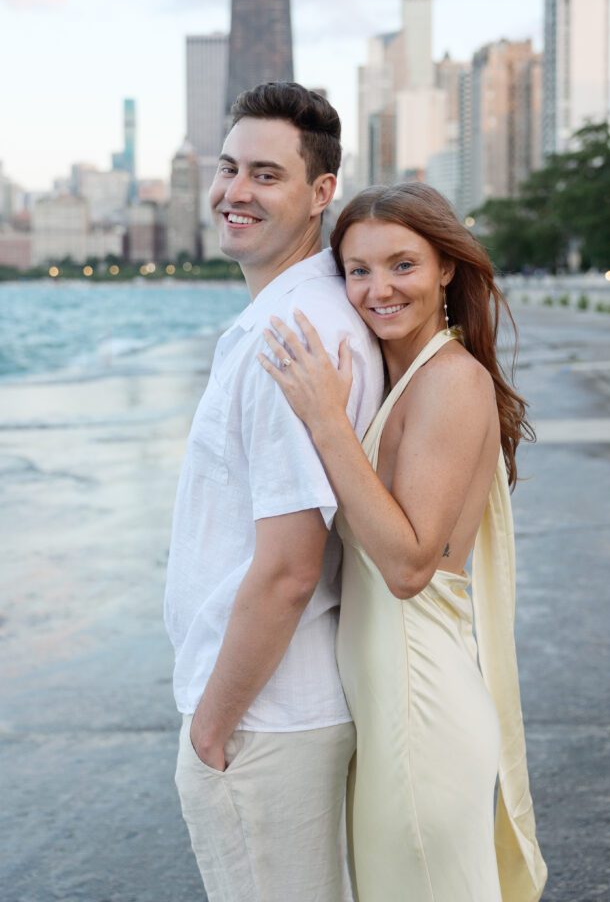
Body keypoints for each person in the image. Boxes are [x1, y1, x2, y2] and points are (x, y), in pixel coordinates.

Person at [259, 182, 548, 902]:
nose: (377, 289)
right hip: (395, 715)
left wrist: (327, 421)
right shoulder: (408, 379)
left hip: (421, 718)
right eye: (358, 270)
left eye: (402, 265)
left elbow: (408, 565)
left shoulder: (451, 381)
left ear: (445, 268)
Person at [164, 82, 384, 902]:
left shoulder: (289, 338)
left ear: (320, 192)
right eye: (228, 169)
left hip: (264, 716)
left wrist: (213, 726)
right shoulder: (313, 311)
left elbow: (290, 565)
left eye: (266, 173)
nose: (234, 193)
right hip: (285, 703)